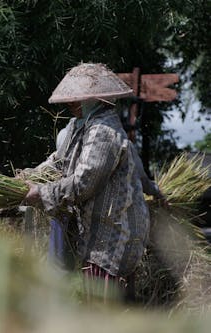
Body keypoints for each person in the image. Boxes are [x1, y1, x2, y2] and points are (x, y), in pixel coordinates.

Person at [22, 63, 165, 302]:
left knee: (105, 309)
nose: (70, 103)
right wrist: (29, 175)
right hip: (97, 235)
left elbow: (83, 183)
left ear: (97, 99)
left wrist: (41, 193)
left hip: (113, 236)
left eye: (77, 98)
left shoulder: (104, 132)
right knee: (97, 303)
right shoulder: (81, 126)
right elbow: (59, 161)